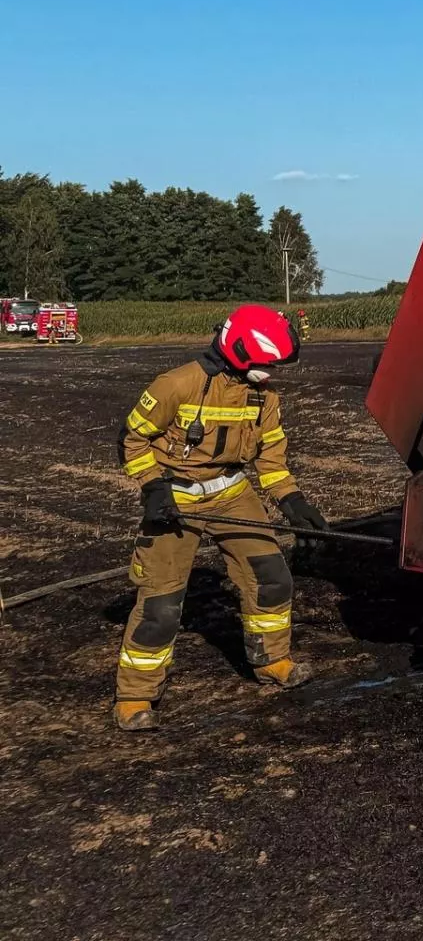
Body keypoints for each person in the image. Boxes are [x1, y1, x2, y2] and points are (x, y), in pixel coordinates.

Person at [112, 304, 328, 731]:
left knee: (272, 576)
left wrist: (293, 501)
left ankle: (273, 662)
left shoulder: (264, 398)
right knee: (161, 604)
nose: (272, 373)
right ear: (241, 350)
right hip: (175, 503)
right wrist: (154, 489)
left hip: (232, 494)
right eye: (269, 364)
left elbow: (271, 459)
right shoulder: (176, 384)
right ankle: (134, 697)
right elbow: (132, 439)